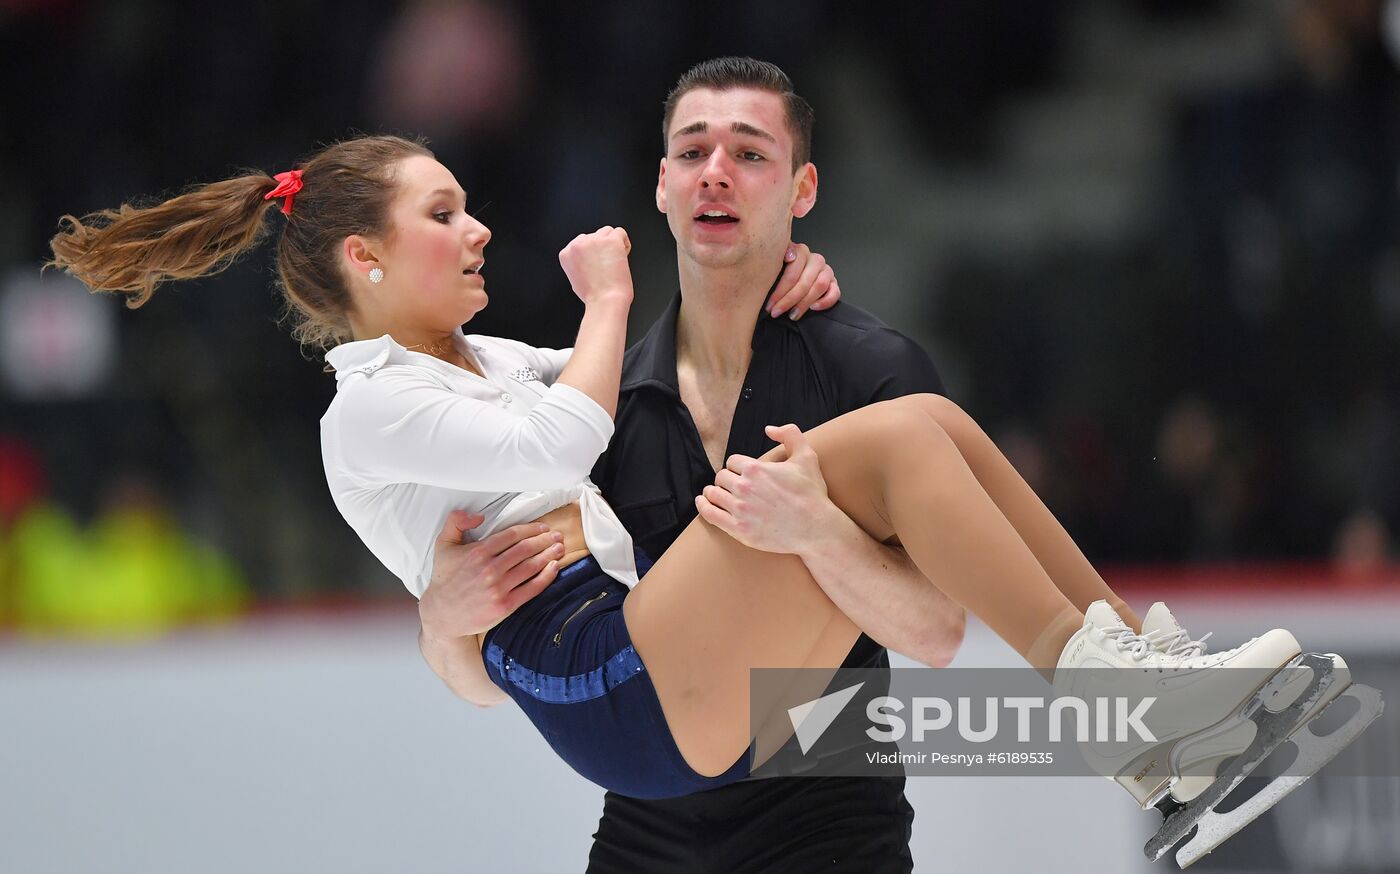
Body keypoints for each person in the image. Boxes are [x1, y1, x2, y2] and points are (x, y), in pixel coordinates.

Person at [47, 70, 1365, 872]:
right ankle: (1140, 718)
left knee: (928, 424)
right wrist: (611, 301)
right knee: (901, 435)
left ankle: (1147, 695)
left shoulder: (491, 359)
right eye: (443, 212)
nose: (479, 226)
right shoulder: (374, 407)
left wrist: (780, 331)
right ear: (364, 261)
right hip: (608, 684)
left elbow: (631, 410)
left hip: (690, 704)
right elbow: (571, 434)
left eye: (465, 201)